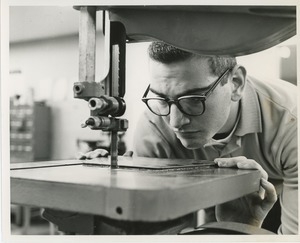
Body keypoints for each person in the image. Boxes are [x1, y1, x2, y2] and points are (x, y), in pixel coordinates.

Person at [83, 41, 297, 234]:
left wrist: (248, 228)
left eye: (193, 99)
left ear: (236, 83)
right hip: (223, 213)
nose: (175, 122)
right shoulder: (154, 127)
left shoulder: (291, 120)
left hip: (276, 199)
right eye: (162, 99)